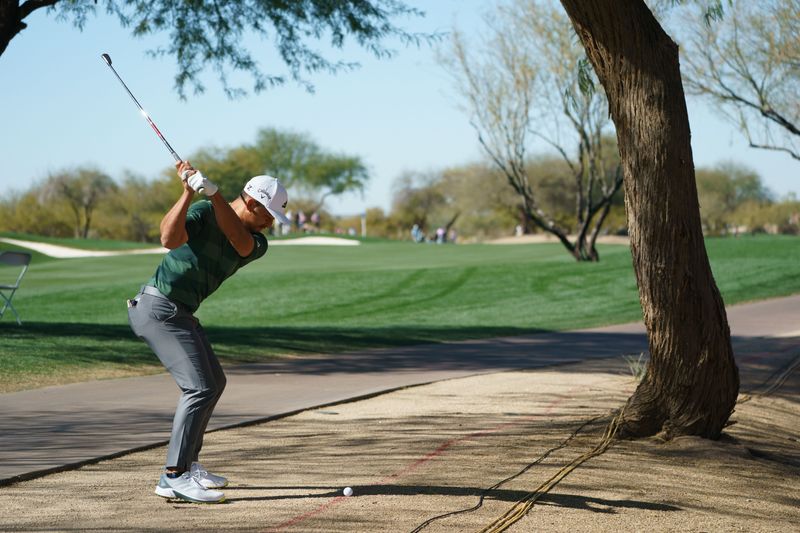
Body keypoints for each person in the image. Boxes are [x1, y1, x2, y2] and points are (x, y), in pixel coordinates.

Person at [127, 160, 290, 504]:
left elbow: (237, 238)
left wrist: (214, 194)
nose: (271, 221)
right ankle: (173, 476)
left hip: (181, 313)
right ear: (252, 202)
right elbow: (169, 238)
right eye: (268, 213)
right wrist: (188, 193)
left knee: (214, 383)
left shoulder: (256, 241)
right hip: (158, 309)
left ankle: (189, 464)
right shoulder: (202, 211)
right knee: (198, 387)